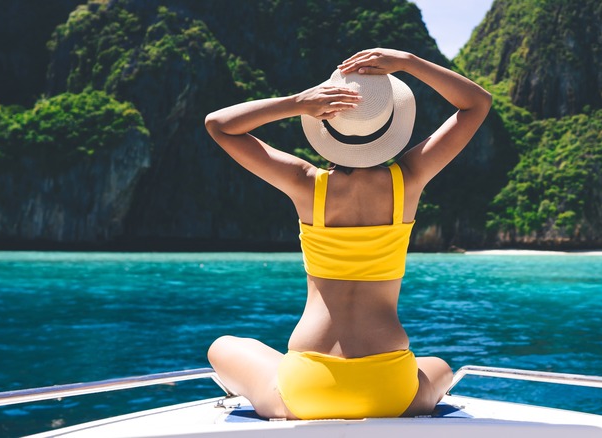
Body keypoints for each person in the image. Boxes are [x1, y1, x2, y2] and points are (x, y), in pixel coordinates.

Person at [204, 48, 492, 420]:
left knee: (225, 346)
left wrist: (298, 103)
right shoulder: (410, 180)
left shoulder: (305, 184)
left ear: (326, 127)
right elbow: (476, 104)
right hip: (389, 389)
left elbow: (219, 124)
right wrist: (408, 61)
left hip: (309, 390)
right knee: (437, 366)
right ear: (391, 126)